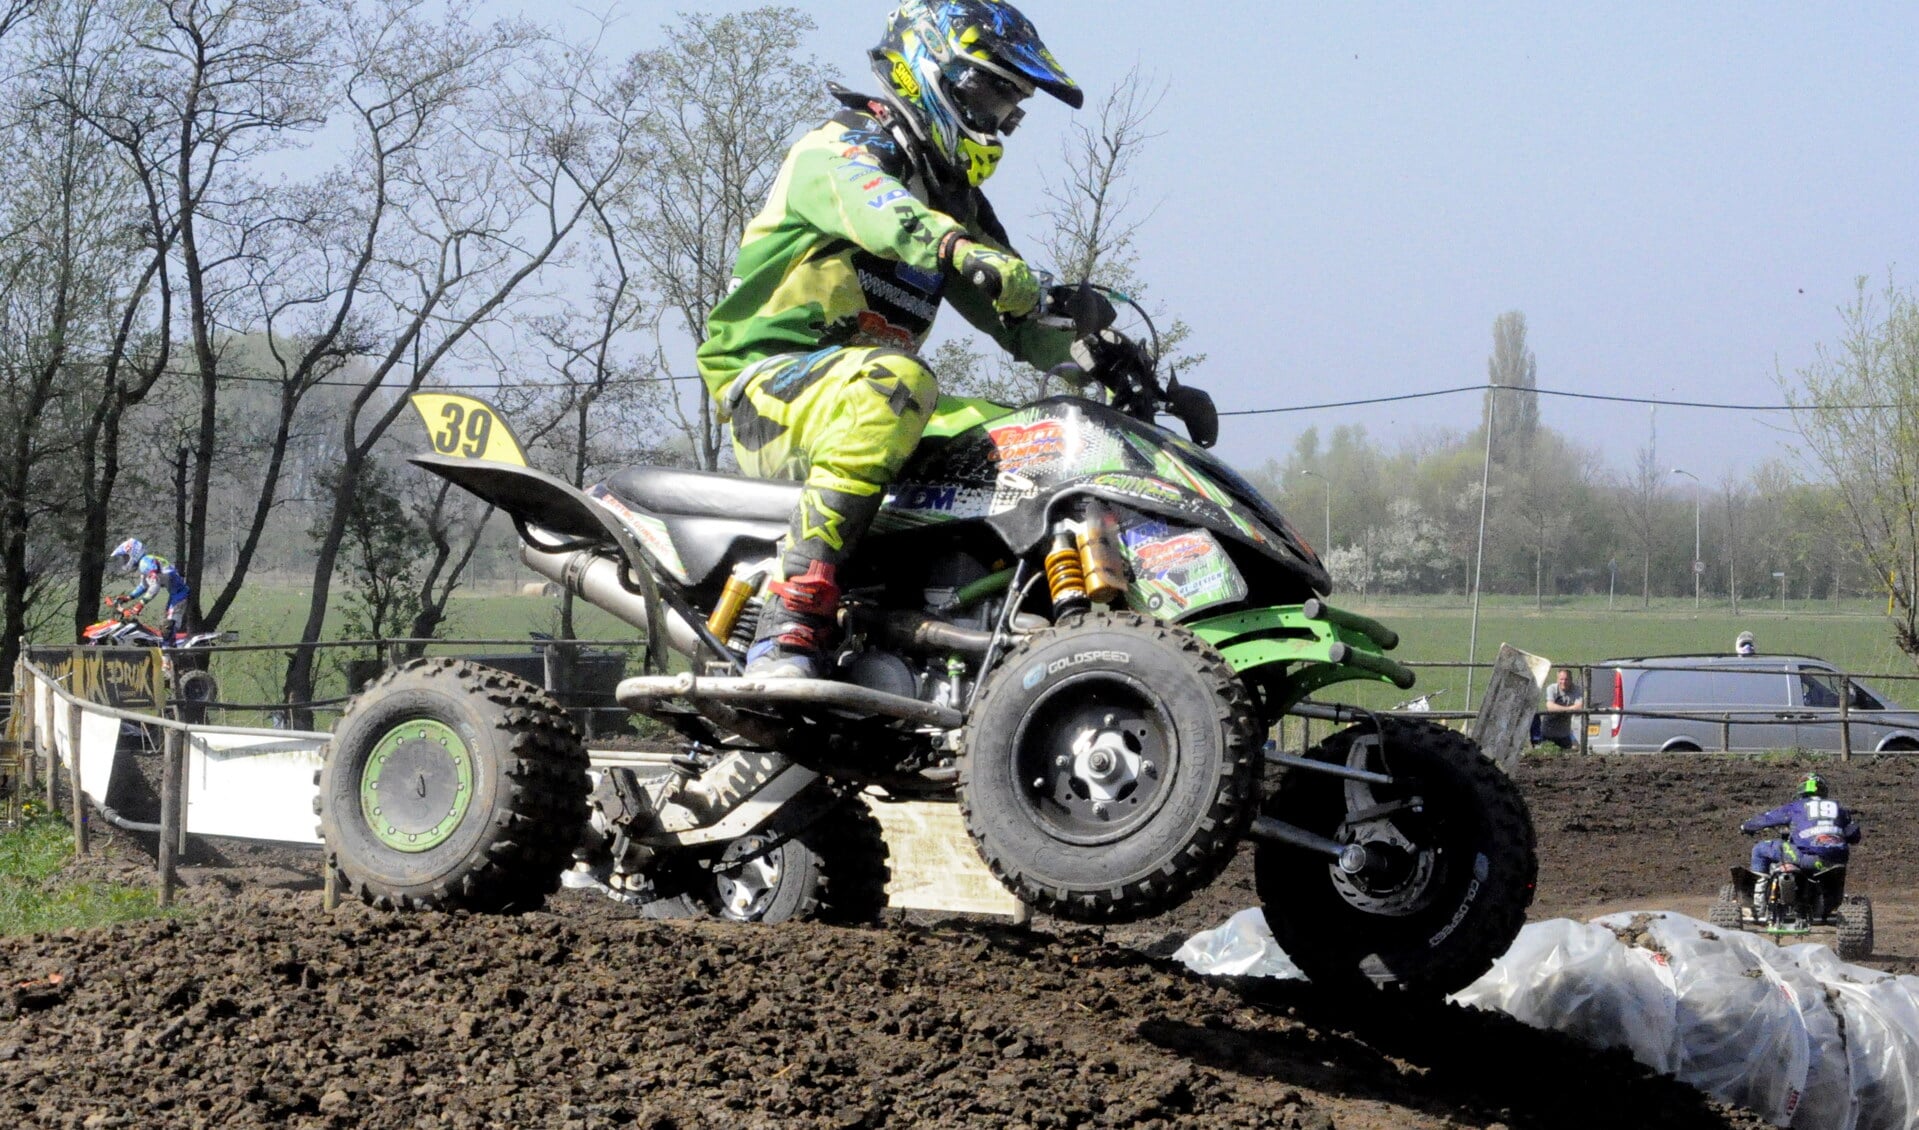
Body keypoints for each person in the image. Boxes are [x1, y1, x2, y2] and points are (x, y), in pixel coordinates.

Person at [695, 0, 1099, 678]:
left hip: (860, 404)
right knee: (896, 380)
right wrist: (956, 246)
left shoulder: (951, 198)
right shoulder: (837, 149)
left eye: (1013, 104)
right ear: (930, 68)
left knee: (1042, 439)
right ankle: (789, 622)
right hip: (771, 393)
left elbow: (1021, 316)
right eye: (991, 89)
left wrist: (1111, 364)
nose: (1001, 117)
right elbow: (884, 212)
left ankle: (957, 638)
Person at [1741, 773, 1861, 913]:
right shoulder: (1840, 808)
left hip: (1806, 858)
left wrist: (1746, 826)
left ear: (1801, 790)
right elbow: (1855, 836)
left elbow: (1765, 820)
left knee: (1760, 849)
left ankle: (1757, 904)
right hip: (1835, 861)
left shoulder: (1795, 806)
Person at [109, 537, 192, 646]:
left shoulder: (145, 564)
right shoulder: (146, 562)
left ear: (133, 553)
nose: (125, 560)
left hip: (180, 595)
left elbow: (154, 586)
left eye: (125, 557)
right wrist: (129, 597)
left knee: (168, 628)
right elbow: (144, 585)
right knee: (165, 626)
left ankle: (168, 658)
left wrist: (140, 604)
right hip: (175, 593)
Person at [1530, 668, 1584, 749]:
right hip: (1548, 733)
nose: (1564, 682)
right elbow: (1550, 706)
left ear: (1571, 680)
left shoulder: (1576, 689)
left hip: (1564, 734)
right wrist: (1570, 709)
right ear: (1557, 679)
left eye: (1566, 679)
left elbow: (1579, 707)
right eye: (1561, 679)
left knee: (1566, 758)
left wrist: (1558, 708)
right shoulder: (1552, 688)